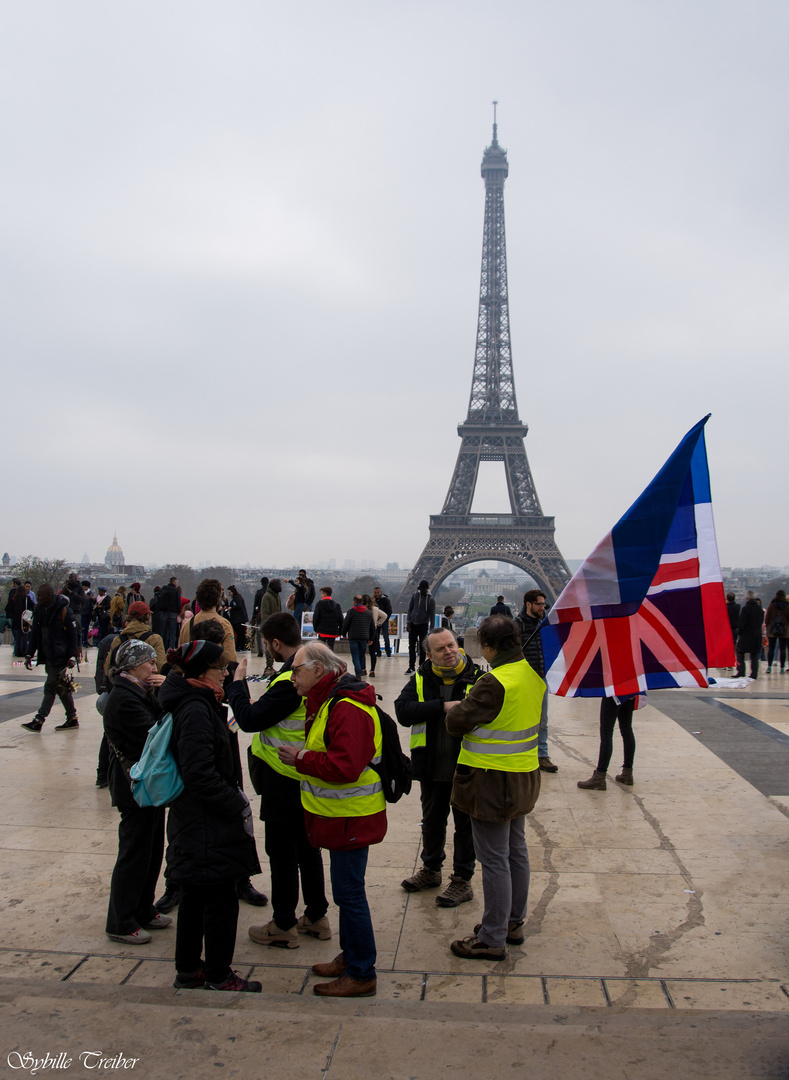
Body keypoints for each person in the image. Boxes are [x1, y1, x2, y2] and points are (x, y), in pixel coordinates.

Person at [278, 642, 385, 998]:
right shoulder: (330, 700)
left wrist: (300, 759)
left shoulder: (345, 706)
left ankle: (361, 972)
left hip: (351, 816)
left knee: (350, 894)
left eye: (297, 669)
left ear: (319, 670)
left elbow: (344, 767)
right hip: (343, 815)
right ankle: (352, 956)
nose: (292, 675)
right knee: (346, 892)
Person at [158, 639, 262, 993]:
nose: (225, 675)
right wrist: (235, 804)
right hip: (208, 823)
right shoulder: (197, 710)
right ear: (203, 672)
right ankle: (218, 974)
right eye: (221, 670)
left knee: (193, 898)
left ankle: (188, 969)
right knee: (219, 902)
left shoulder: (194, 702)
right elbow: (199, 773)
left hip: (194, 820)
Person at [227, 612, 330, 950]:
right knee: (308, 848)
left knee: (282, 853)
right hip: (305, 774)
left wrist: (238, 684)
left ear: (273, 643)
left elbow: (250, 720)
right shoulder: (315, 670)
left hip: (283, 777)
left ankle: (283, 923)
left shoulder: (290, 681)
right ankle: (316, 916)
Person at [445, 615, 542, 960]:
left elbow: (455, 722)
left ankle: (492, 936)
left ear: (487, 646)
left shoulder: (494, 682)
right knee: (516, 851)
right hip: (523, 776)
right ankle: (512, 921)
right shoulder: (531, 676)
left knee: (494, 859)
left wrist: (465, 700)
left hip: (490, 780)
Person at [395, 627, 484, 906]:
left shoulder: (480, 679)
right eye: (441, 649)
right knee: (432, 823)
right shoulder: (421, 678)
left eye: (451, 645)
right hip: (431, 766)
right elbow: (402, 712)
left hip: (466, 767)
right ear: (429, 655)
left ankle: (462, 880)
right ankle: (431, 870)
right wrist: (443, 707)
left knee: (464, 826)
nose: (449, 651)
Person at [103, 639, 170, 944]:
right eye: (150, 663)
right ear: (132, 665)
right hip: (134, 788)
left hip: (147, 786)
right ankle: (121, 920)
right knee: (134, 852)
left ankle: (143, 908)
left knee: (152, 849)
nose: (154, 668)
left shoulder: (140, 691)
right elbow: (155, 734)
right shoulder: (124, 698)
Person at [22, 584, 80, 732]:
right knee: (60, 687)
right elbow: (35, 633)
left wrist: (73, 655)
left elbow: (73, 635)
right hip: (48, 654)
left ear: (49, 595)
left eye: (41, 596)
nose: (38, 598)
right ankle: (72, 718)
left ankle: (39, 720)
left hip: (61, 655)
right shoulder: (40, 609)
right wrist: (29, 654)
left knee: (50, 687)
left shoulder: (64, 610)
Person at [515, 589, 558, 773]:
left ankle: (542, 755)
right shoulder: (517, 625)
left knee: (543, 720)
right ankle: (522, 754)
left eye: (544, 604)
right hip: (524, 678)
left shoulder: (544, 623)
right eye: (539, 604)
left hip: (540, 677)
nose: (543, 607)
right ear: (528, 604)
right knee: (522, 718)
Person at [577, 696, 638, 790]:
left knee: (606, 733)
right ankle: (627, 772)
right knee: (627, 729)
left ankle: (600, 776)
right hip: (630, 690)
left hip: (613, 690)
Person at [104, 602, 166, 679]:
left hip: (123, 686)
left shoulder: (118, 639)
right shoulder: (154, 639)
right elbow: (160, 667)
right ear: (147, 616)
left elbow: (108, 668)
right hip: (146, 687)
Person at [341, 595, 375, 678]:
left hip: (353, 637)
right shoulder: (368, 613)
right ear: (362, 602)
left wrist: (343, 633)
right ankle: (360, 670)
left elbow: (345, 624)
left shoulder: (351, 612)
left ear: (354, 602)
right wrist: (371, 638)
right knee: (361, 655)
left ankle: (358, 672)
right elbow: (372, 626)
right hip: (364, 637)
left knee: (355, 655)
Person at [406, 579, 435, 674]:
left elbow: (432, 615)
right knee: (411, 646)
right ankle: (411, 666)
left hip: (423, 625)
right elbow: (410, 609)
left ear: (427, 589)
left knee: (422, 647)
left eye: (423, 589)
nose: (421, 591)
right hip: (413, 624)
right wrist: (408, 622)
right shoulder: (414, 596)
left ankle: (421, 666)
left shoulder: (430, 599)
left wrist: (431, 629)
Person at [736, 591, 763, 679]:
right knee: (755, 655)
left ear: (747, 598)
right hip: (756, 635)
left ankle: (741, 671)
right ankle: (754, 674)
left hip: (746, 635)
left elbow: (742, 623)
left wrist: (740, 632)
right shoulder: (759, 609)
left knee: (740, 653)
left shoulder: (745, 608)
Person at [259, 579, 283, 675]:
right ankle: (269, 666)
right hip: (269, 627)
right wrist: (268, 627)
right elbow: (265, 614)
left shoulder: (277, 596)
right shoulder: (267, 596)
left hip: (275, 626)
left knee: (273, 647)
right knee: (269, 647)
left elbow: (279, 611)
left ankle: (271, 666)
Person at [362, 593, 388, 678]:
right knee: (373, 652)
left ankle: (363, 669)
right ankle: (372, 670)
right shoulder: (375, 609)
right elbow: (385, 615)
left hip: (364, 631)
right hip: (374, 631)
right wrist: (378, 623)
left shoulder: (362, 609)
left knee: (362, 652)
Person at [312, 587, 344, 651]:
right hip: (333, 631)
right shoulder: (337, 605)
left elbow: (316, 617)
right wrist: (340, 631)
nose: (321, 595)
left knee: (321, 649)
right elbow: (341, 619)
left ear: (325, 594)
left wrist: (315, 628)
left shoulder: (319, 604)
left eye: (321, 594)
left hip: (322, 631)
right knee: (330, 649)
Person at [765, 589, 789, 674]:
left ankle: (769, 667)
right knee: (783, 649)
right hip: (785, 629)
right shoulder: (787, 605)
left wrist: (768, 626)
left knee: (771, 648)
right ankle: (782, 668)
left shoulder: (772, 605)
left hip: (772, 628)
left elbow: (767, 617)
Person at [158, 577, 182, 650]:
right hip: (173, 612)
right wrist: (178, 611)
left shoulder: (164, 589)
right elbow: (178, 602)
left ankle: (163, 647)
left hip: (164, 611)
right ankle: (171, 648)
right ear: (174, 582)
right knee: (172, 631)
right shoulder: (176, 590)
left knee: (163, 631)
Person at [227, 585, 249, 654]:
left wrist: (232, 608)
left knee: (240, 634)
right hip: (237, 619)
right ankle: (240, 646)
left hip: (239, 619)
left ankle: (240, 647)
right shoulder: (235, 598)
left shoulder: (237, 598)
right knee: (239, 633)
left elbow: (239, 606)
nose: (229, 594)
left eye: (230, 592)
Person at [251, 577, 269, 657]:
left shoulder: (259, 592)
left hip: (260, 615)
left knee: (258, 633)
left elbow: (255, 606)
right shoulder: (270, 593)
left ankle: (260, 650)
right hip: (269, 616)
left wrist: (253, 617)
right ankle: (268, 649)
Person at [373, 586, 393, 658]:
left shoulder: (385, 600)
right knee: (376, 637)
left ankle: (387, 652)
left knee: (385, 637)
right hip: (377, 620)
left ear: (381, 592)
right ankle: (378, 652)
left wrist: (385, 619)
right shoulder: (374, 600)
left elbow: (389, 611)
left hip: (384, 620)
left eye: (378, 592)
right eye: (375, 593)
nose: (377, 594)